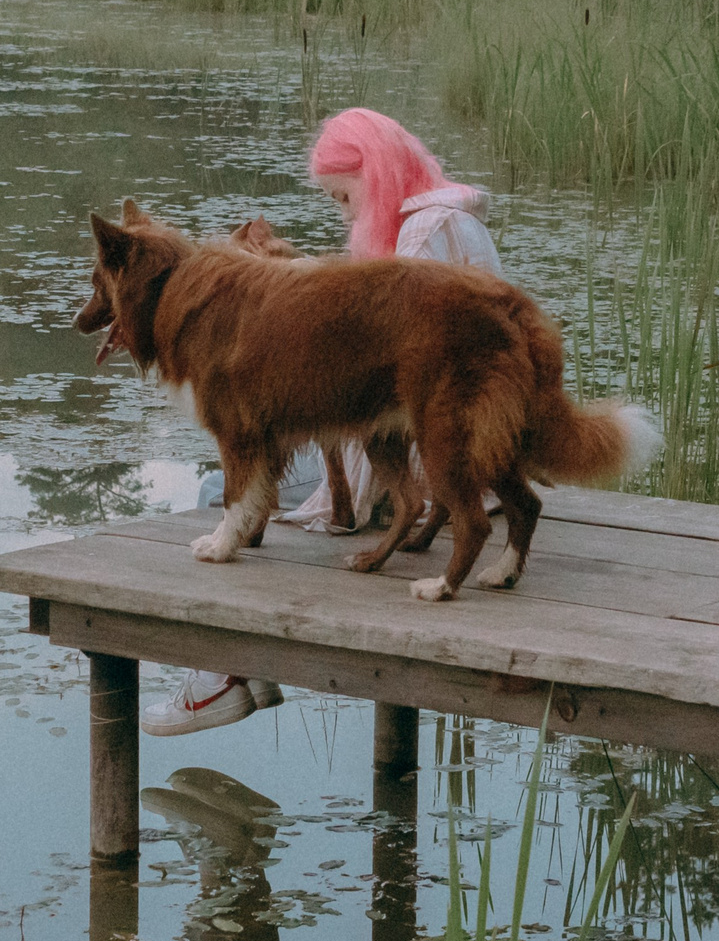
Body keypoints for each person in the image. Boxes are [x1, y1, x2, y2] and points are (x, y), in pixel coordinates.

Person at [141, 108, 504, 737]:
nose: (343, 212)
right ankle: (241, 673)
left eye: (344, 195)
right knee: (249, 481)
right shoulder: (444, 217)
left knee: (218, 491)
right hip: (434, 452)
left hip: (427, 466)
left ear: (377, 174)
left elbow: (376, 375)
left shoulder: (421, 240)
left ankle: (220, 681)